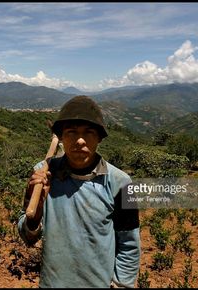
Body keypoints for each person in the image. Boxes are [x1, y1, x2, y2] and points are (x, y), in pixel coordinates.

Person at [17, 95, 141, 288]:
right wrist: (36, 213)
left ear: (99, 137)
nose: (80, 140)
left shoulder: (122, 183)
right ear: (62, 137)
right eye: (71, 132)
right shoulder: (43, 174)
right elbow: (28, 237)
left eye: (89, 132)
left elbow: (129, 245)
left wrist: (121, 285)